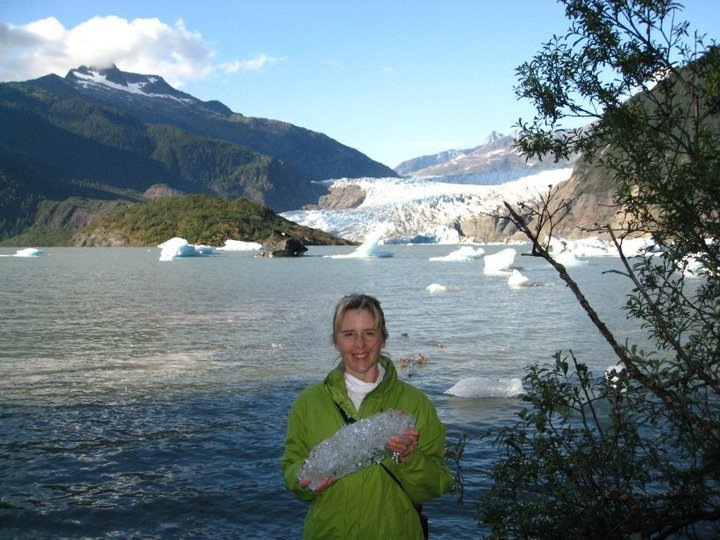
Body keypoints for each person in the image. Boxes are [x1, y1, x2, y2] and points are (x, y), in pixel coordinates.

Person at [281, 293, 453, 538]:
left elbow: (437, 485)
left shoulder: (415, 404)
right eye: (349, 334)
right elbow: (291, 471)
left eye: (369, 333)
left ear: (383, 338)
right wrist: (307, 477)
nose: (360, 345)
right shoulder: (308, 403)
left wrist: (409, 458)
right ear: (336, 341)